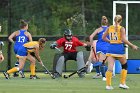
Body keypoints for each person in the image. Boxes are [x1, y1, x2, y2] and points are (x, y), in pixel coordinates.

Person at [102, 15, 138, 90]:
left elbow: (103, 38)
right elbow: (124, 40)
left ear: (114, 20)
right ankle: (122, 83)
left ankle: (108, 85)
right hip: (119, 49)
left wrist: (111, 42)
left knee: (110, 68)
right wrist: (132, 46)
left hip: (111, 49)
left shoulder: (109, 27)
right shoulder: (122, 28)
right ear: (121, 21)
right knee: (124, 66)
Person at [88, 16, 109, 81]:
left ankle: (100, 73)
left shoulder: (98, 29)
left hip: (98, 46)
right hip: (106, 46)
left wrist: (91, 44)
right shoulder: (110, 29)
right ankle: (103, 76)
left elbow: (91, 37)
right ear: (107, 22)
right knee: (103, 63)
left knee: (100, 61)